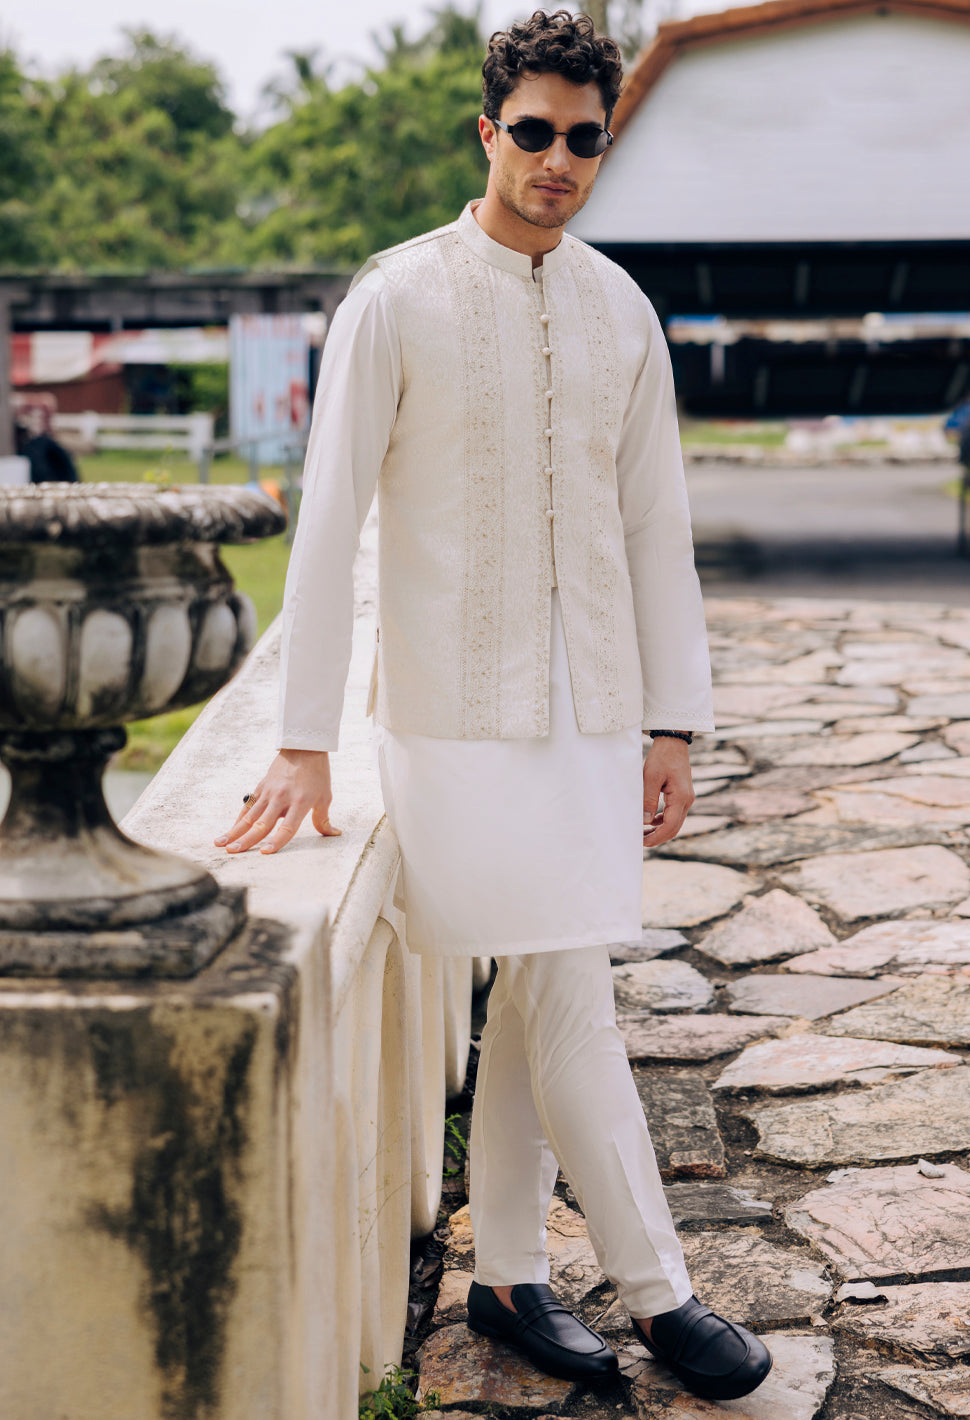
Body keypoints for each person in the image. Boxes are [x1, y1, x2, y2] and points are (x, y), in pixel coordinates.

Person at [216, 9, 772, 1404]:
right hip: (454, 726)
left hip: (592, 721)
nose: (556, 160)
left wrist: (671, 722)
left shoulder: (621, 309)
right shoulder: (395, 295)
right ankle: (662, 1294)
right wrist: (302, 739)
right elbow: (329, 521)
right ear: (488, 131)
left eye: (584, 139)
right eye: (533, 132)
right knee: (568, 989)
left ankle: (512, 1278)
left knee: (544, 981)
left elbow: (655, 529)